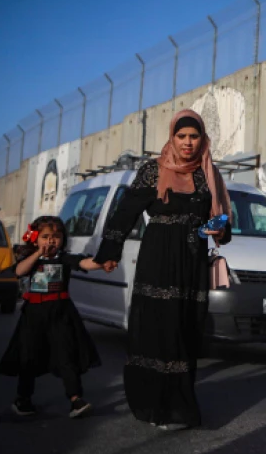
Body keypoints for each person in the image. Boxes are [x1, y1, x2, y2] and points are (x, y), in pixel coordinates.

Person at [93, 109, 232, 430]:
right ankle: (155, 404)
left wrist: (219, 229)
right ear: (172, 137)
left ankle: (179, 403)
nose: (187, 143)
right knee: (159, 328)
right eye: (181, 136)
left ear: (202, 139)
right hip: (158, 258)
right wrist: (109, 253)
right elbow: (124, 213)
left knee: (185, 328)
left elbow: (224, 222)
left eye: (194, 136)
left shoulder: (208, 174)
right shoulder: (152, 170)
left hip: (192, 260)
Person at [0, 215, 114, 418]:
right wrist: (36, 255)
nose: (51, 241)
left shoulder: (64, 258)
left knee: (67, 355)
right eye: (45, 236)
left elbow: (84, 263)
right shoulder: (31, 259)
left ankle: (76, 399)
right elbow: (19, 271)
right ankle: (23, 399)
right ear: (35, 238)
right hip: (33, 315)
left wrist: (102, 264)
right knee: (28, 357)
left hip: (61, 313)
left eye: (56, 236)